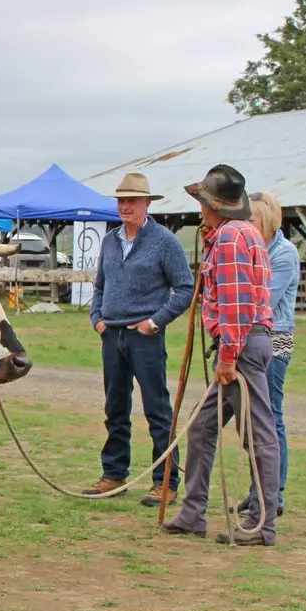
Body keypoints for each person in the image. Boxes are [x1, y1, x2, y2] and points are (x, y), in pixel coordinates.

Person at [161, 164, 280, 546]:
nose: (200, 208)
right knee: (202, 427)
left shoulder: (229, 239)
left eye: (202, 202)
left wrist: (227, 356)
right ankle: (192, 513)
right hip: (245, 343)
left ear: (213, 206)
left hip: (240, 346)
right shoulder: (240, 233)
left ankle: (263, 525)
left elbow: (236, 305)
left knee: (258, 434)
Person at [85, 172, 195, 507]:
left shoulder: (164, 241)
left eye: (132, 200)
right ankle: (114, 474)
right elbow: (100, 285)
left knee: (157, 410)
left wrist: (155, 322)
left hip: (145, 337)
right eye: (121, 200)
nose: (125, 206)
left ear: (147, 203)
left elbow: (185, 288)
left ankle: (165, 481)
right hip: (112, 334)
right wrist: (97, 319)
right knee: (115, 408)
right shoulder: (110, 240)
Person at [237, 190, 297, 517]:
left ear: (269, 219)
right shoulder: (252, 249)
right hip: (252, 337)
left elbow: (264, 300)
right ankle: (258, 489)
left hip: (274, 339)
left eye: (252, 218)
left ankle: (274, 494)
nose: (247, 224)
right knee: (252, 419)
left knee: (271, 415)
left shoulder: (284, 253)